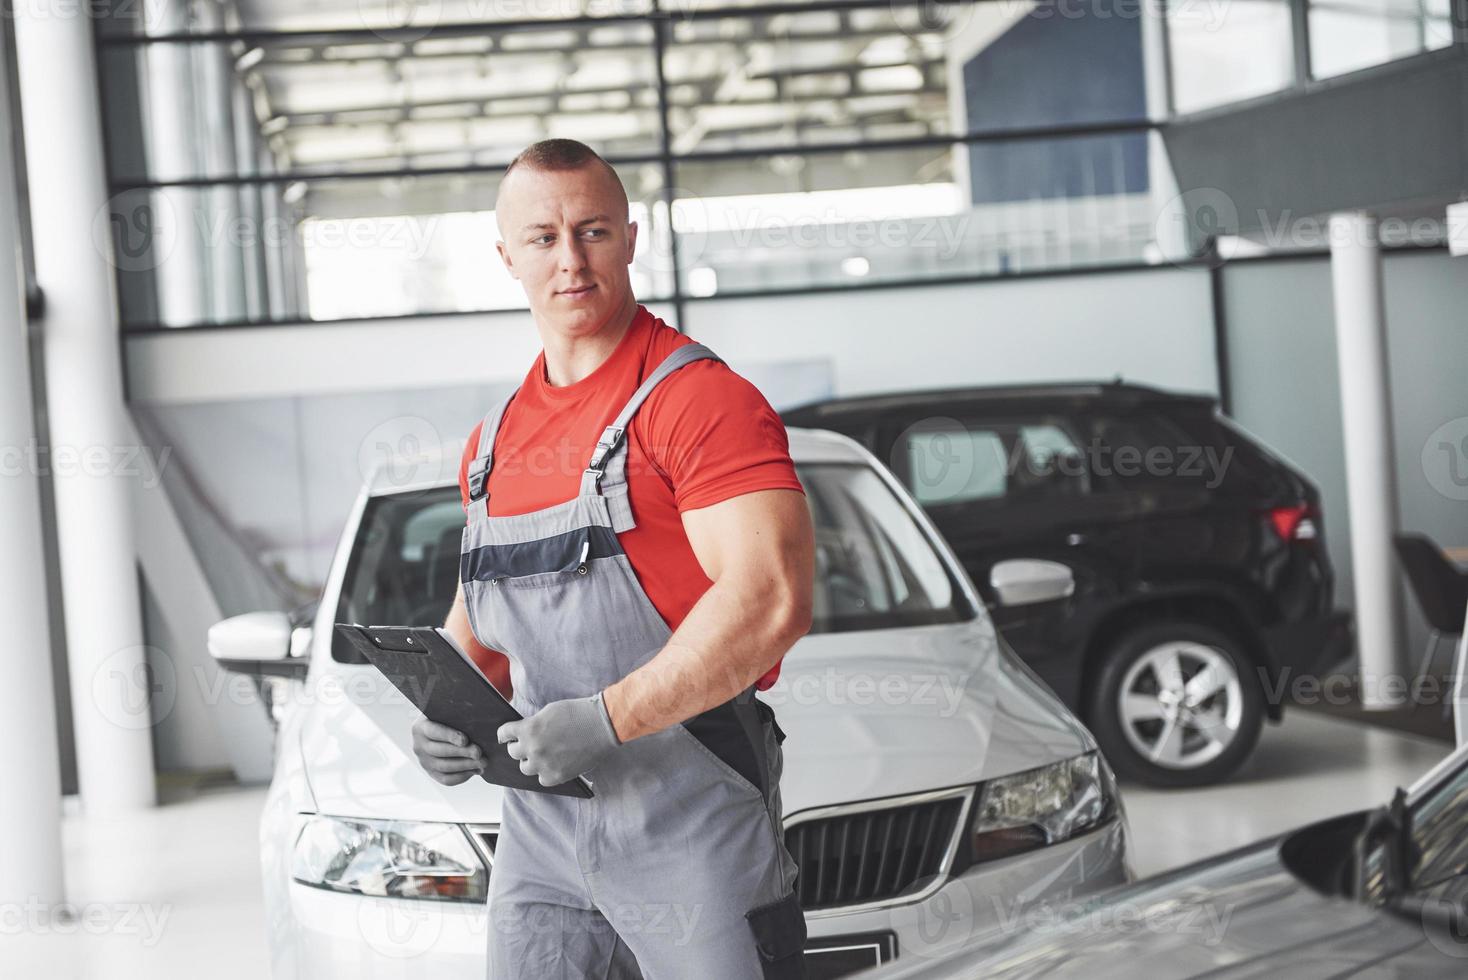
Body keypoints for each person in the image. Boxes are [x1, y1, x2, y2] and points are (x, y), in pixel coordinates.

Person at [409, 138, 816, 979]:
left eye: (592, 231)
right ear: (506, 258)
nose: (570, 260)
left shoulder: (699, 401)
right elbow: (481, 629)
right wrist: (444, 717)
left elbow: (772, 597)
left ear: (631, 238)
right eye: (543, 238)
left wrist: (606, 721)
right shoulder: (492, 444)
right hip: (541, 838)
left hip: (692, 815)